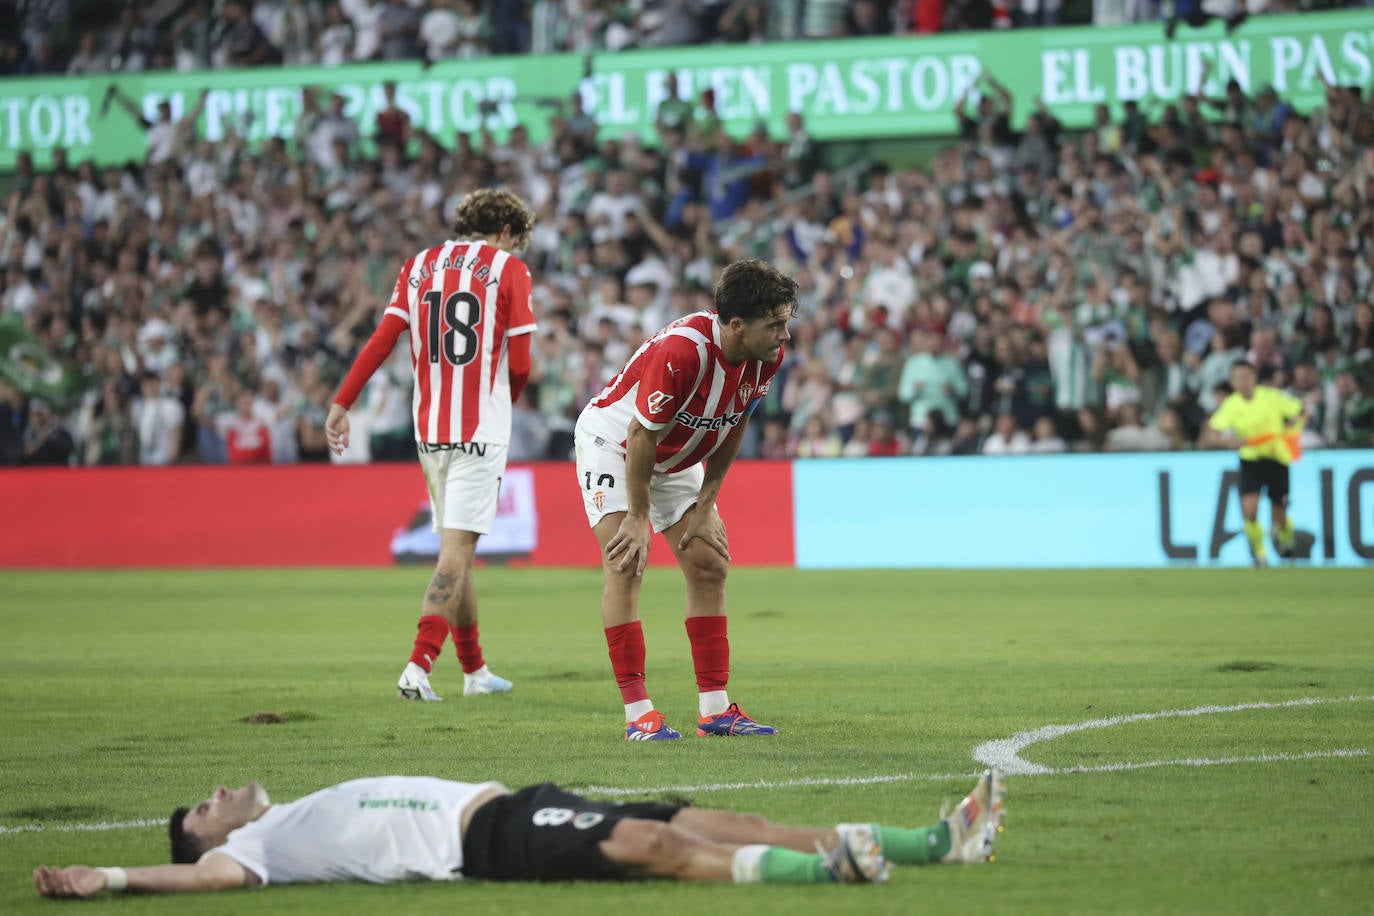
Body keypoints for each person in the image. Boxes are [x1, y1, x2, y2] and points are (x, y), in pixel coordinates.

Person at [34, 770, 1006, 897]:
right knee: (655, 850)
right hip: (490, 838)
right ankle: (830, 867)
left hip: (516, 799)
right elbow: (202, 882)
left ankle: (937, 843)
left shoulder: (281, 813)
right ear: (206, 840)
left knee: (728, 819)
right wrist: (110, 878)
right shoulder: (247, 854)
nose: (217, 793)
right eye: (202, 807)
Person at [326, 189, 537, 701]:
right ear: (507, 233)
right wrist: (505, 402)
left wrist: (342, 402)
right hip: (479, 432)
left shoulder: (418, 265)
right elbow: (522, 361)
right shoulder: (508, 268)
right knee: (456, 554)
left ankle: (475, 672)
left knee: (455, 548)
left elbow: (382, 339)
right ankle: (417, 668)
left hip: (430, 433)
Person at [574, 259, 794, 741]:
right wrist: (637, 517)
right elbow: (640, 435)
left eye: (785, 322)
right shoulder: (683, 353)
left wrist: (707, 500)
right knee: (626, 563)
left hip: (674, 457)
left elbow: (735, 423)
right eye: (775, 324)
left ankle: (715, 711)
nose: (784, 335)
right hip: (617, 445)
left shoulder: (765, 356)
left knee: (709, 562)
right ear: (737, 325)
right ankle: (639, 715)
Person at [1202, 360, 1305, 567]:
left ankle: (1285, 539)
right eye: (1237, 378)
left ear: (1253, 377)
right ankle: (1259, 554)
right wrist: (1230, 441)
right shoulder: (1231, 405)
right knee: (1250, 511)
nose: (1241, 381)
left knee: (1280, 515)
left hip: (1277, 459)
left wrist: (1293, 430)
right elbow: (1212, 433)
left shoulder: (1272, 397)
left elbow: (1300, 410)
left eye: (1245, 376)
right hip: (1250, 461)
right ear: (1232, 381)